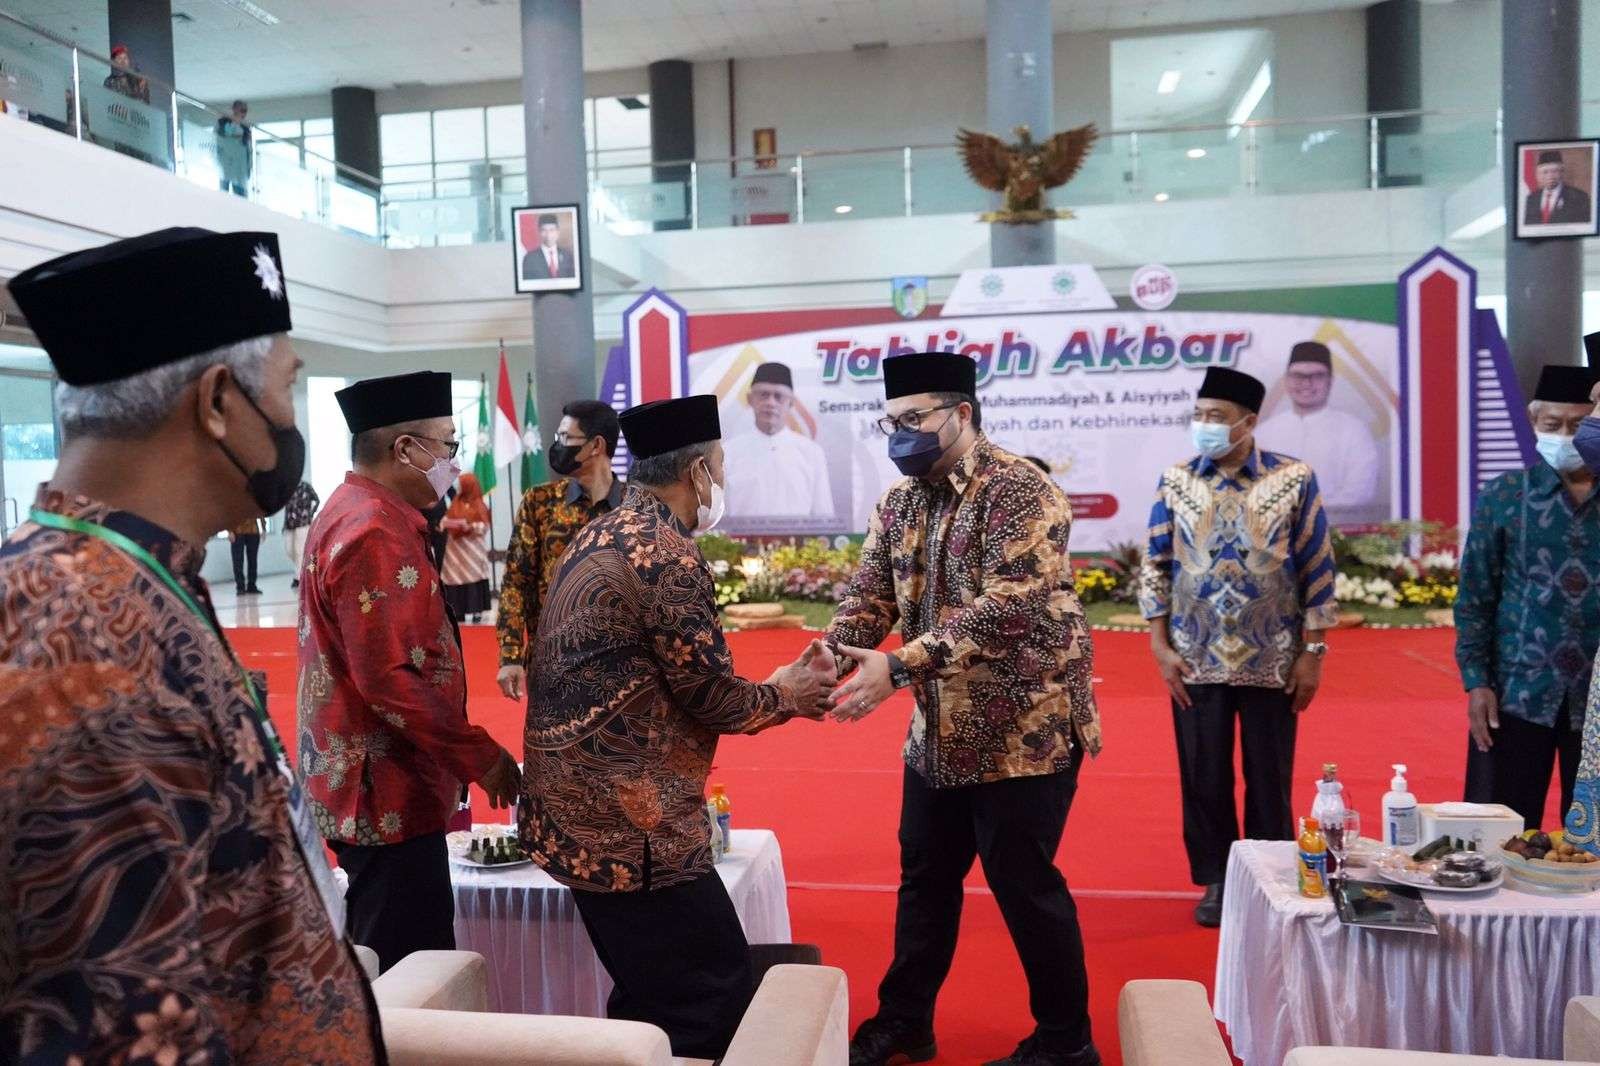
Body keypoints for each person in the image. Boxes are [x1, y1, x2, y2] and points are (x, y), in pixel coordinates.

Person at [0, 227, 381, 1061]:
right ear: (217, 403)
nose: (289, 419)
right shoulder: (84, 643)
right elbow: (119, 1027)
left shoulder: (131, 580)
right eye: (285, 389)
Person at [518, 394, 836, 1060]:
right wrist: (789, 693)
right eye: (719, 464)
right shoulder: (665, 553)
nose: (722, 477)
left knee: (648, 992)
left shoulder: (601, 530)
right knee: (705, 996)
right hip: (636, 835)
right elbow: (712, 697)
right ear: (696, 472)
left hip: (575, 819)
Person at [826, 352, 1103, 1066]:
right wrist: (827, 656)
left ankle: (1067, 1041)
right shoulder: (900, 501)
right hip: (939, 732)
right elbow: (869, 595)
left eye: (914, 419)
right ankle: (906, 1021)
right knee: (924, 877)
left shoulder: (1019, 490)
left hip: (1025, 728)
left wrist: (898, 665)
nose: (900, 434)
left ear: (963, 415)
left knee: (1024, 886)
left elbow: (1010, 608)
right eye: (891, 422)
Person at [298, 370, 522, 972]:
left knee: (397, 952)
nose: (452, 462)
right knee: (411, 971)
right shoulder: (372, 528)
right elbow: (387, 680)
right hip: (383, 791)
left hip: (377, 782)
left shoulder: (363, 509)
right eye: (447, 447)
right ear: (406, 449)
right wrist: (480, 755)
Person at [1139, 366, 1338, 928]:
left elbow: (1318, 568)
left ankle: (1269, 874)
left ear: (1248, 423)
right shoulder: (1176, 479)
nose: (1204, 426)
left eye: (1217, 418)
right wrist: (1159, 643)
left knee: (1268, 772)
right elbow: (1156, 563)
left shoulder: (1294, 479)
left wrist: (1312, 653)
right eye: (1198, 415)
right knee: (1202, 773)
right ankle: (1218, 879)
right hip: (1194, 655)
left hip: (1272, 655)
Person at [1456, 363, 1600, 829]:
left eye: (1577, 425)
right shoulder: (1505, 495)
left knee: (1592, 843)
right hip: (1516, 692)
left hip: (1597, 699)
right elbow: (1475, 595)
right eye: (1550, 424)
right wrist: (1476, 680)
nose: (1563, 435)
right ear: (1534, 423)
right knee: (1500, 833)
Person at [497, 398, 623, 701]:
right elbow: (516, 582)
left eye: (566, 438)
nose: (559, 446)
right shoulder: (539, 502)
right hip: (553, 663)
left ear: (596, 446)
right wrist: (511, 655)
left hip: (622, 666)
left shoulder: (635, 508)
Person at [1254, 341, 1380, 512]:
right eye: (1298, 376)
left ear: (1330, 381)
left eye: (1317, 376)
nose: (1306, 383)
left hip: (1336, 531)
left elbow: (1360, 492)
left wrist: (1309, 518)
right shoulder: (1264, 433)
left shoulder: (1354, 431)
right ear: (1286, 380)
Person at [723, 361, 835, 519]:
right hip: (741, 543)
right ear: (750, 399)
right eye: (763, 395)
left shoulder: (811, 452)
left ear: (791, 403)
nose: (770, 403)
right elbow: (718, 519)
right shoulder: (728, 452)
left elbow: (824, 516)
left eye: (779, 397)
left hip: (799, 543)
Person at [441, 472, 492, 623]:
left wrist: (469, 526)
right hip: (455, 554)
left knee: (473, 581)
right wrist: (448, 524)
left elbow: (484, 526)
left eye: (463, 483)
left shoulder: (479, 504)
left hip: (472, 553)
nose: (460, 486)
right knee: (456, 581)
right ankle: (459, 612)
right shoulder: (456, 502)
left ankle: (476, 611)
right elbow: (445, 520)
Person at [1524, 149, 1591, 226]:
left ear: (1562, 172)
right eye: (1545, 172)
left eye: (1554, 171)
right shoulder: (1531, 199)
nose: (1550, 176)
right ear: (1538, 175)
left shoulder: (1579, 197)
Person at [283, 478, 319, 587]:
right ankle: (300, 572)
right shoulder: (287, 488)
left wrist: (310, 514)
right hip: (289, 524)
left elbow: (317, 500)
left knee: (299, 551)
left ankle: (298, 578)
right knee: (289, 550)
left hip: (303, 523)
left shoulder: (305, 486)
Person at [216, 99, 254, 197]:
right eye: (242, 110)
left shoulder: (246, 127)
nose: (243, 113)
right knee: (224, 194)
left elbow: (247, 149)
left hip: (241, 168)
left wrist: (249, 167)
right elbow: (225, 134)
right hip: (227, 164)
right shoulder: (223, 122)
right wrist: (235, 123)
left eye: (245, 111)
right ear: (234, 109)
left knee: (241, 196)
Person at [521, 213, 574, 279]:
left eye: (552, 230)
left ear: (557, 232)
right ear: (539, 232)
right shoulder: (530, 258)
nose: (548, 235)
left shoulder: (567, 255)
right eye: (544, 230)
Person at [229, 514, 264, 595]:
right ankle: (240, 587)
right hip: (237, 530)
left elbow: (260, 511)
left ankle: (252, 586)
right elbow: (228, 513)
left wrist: (263, 528)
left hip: (253, 530)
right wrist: (230, 531)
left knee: (253, 560)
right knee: (237, 560)